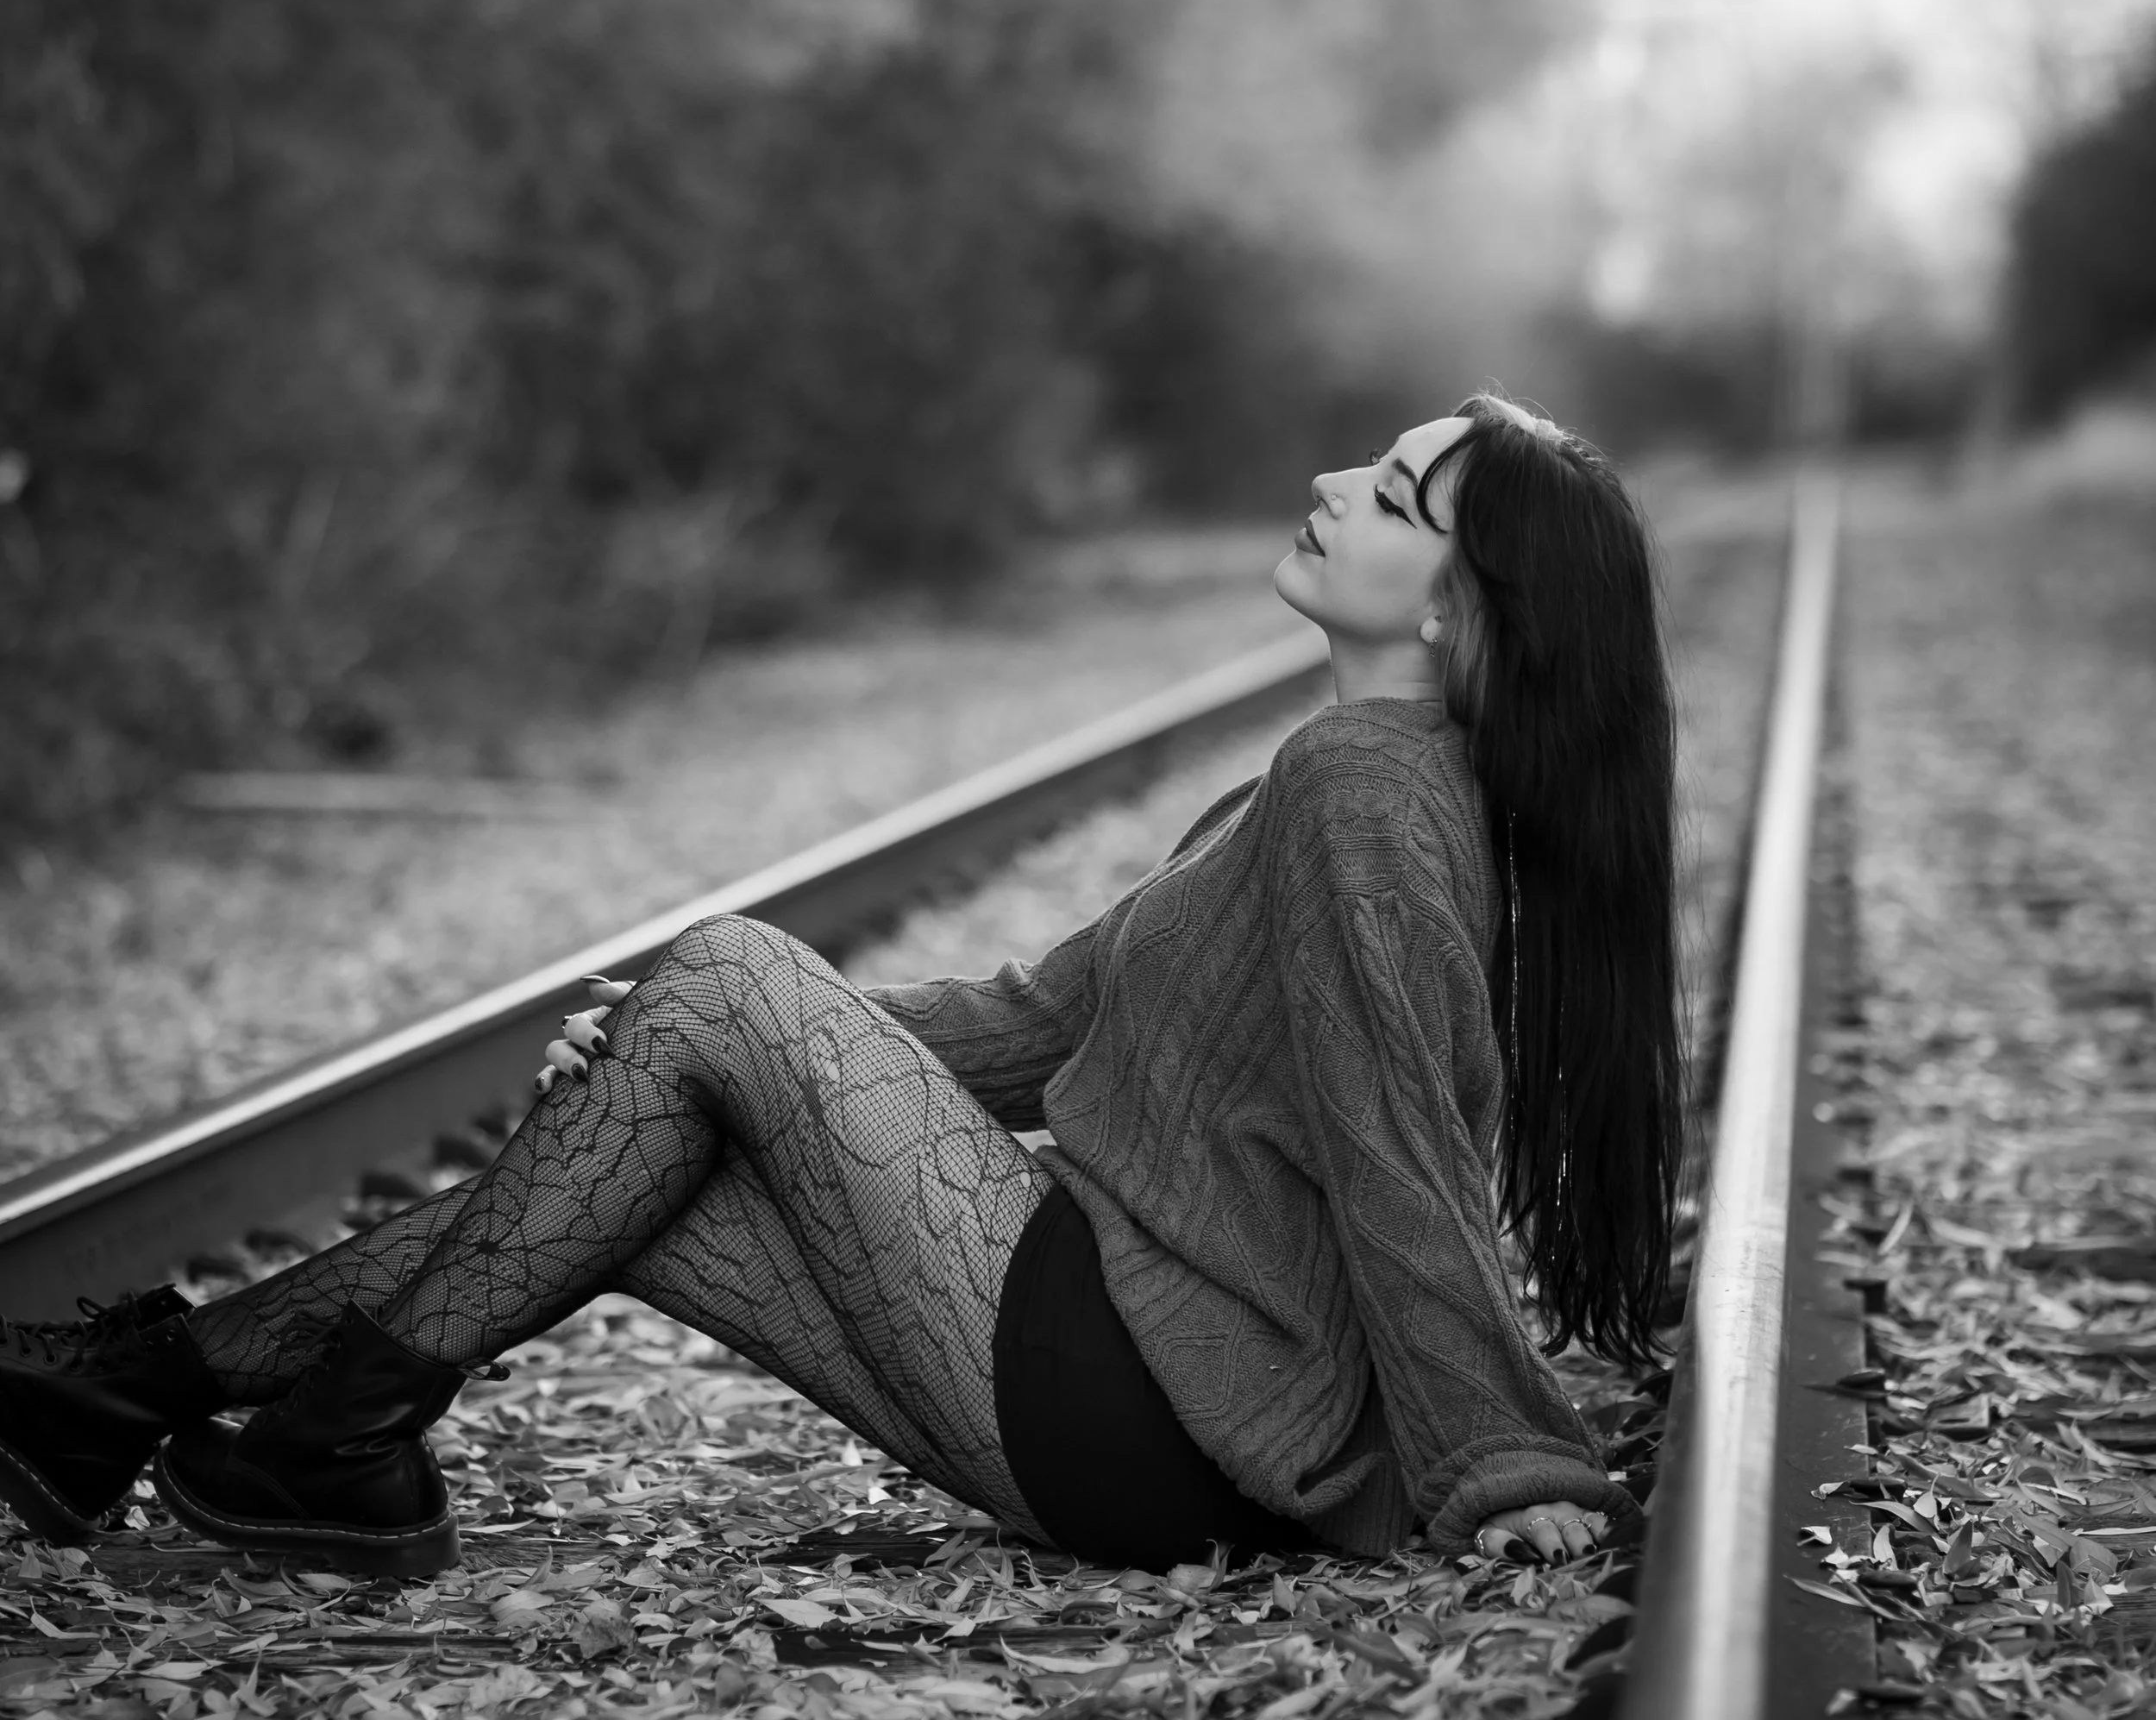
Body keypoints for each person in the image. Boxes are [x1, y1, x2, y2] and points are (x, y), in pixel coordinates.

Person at [0, 392, 1682, 1580]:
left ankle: (324, 1439)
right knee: (621, 1167)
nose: (1331, 478)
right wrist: (684, 1060)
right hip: (1114, 1415)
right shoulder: (1329, 781)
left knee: (728, 967)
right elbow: (1036, 1024)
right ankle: (132, 1396)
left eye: (1389, 498)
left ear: (1463, 622)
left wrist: (1497, 1457)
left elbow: (1398, 1137)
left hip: (1155, 1399)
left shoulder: (1364, 792)